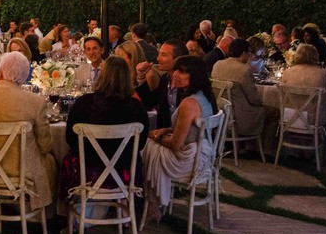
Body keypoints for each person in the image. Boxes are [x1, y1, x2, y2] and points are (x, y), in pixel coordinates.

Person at [0, 51, 56, 211]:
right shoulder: (35, 102)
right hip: (23, 171)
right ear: (24, 77)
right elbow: (45, 146)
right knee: (50, 160)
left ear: (0, 72)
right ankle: (44, 213)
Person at [61, 56, 148, 200]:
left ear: (102, 75)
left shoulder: (83, 103)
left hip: (87, 172)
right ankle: (126, 212)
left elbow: (70, 139)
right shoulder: (136, 107)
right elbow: (141, 144)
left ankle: (71, 212)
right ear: (127, 77)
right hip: (124, 172)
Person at [142, 55, 218, 215]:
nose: (175, 74)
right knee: (150, 145)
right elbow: (190, 127)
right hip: (202, 152)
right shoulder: (204, 96)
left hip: (189, 159)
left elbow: (175, 145)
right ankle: (154, 201)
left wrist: (158, 138)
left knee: (145, 147)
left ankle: (153, 203)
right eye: (176, 69)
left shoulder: (189, 103)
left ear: (195, 76)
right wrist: (166, 131)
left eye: (182, 72)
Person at [211, 38, 266, 137]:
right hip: (241, 116)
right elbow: (254, 99)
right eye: (248, 53)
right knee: (274, 112)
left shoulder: (217, 65)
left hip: (220, 112)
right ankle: (265, 149)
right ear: (244, 53)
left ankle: (250, 146)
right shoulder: (244, 69)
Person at [279, 43, 326, 125]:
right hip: (313, 119)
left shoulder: (288, 72)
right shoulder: (322, 73)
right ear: (315, 56)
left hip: (289, 116)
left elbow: (282, 96)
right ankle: (324, 137)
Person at [136, 40, 183, 114]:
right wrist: (141, 77)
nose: (158, 58)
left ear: (178, 59)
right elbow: (149, 103)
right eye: (159, 54)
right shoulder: (165, 79)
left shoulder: (188, 82)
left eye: (163, 55)